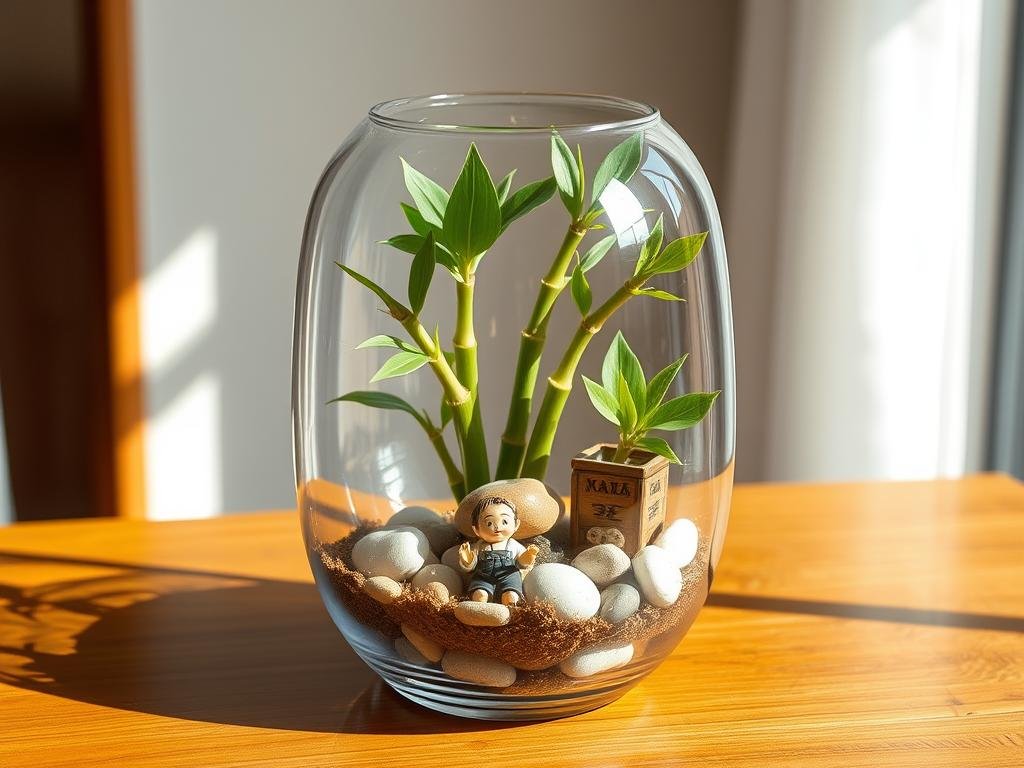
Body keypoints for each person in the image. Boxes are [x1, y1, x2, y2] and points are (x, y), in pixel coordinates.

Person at [458, 496, 539, 606]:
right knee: (480, 595)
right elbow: (470, 567)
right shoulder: (479, 546)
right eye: (489, 523)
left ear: (516, 525)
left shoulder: (513, 545)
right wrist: (467, 558)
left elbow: (521, 564)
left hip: (508, 576)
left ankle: (509, 611)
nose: (497, 527)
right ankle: (480, 611)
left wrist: (529, 555)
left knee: (511, 596)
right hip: (483, 577)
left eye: (504, 521)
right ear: (476, 529)